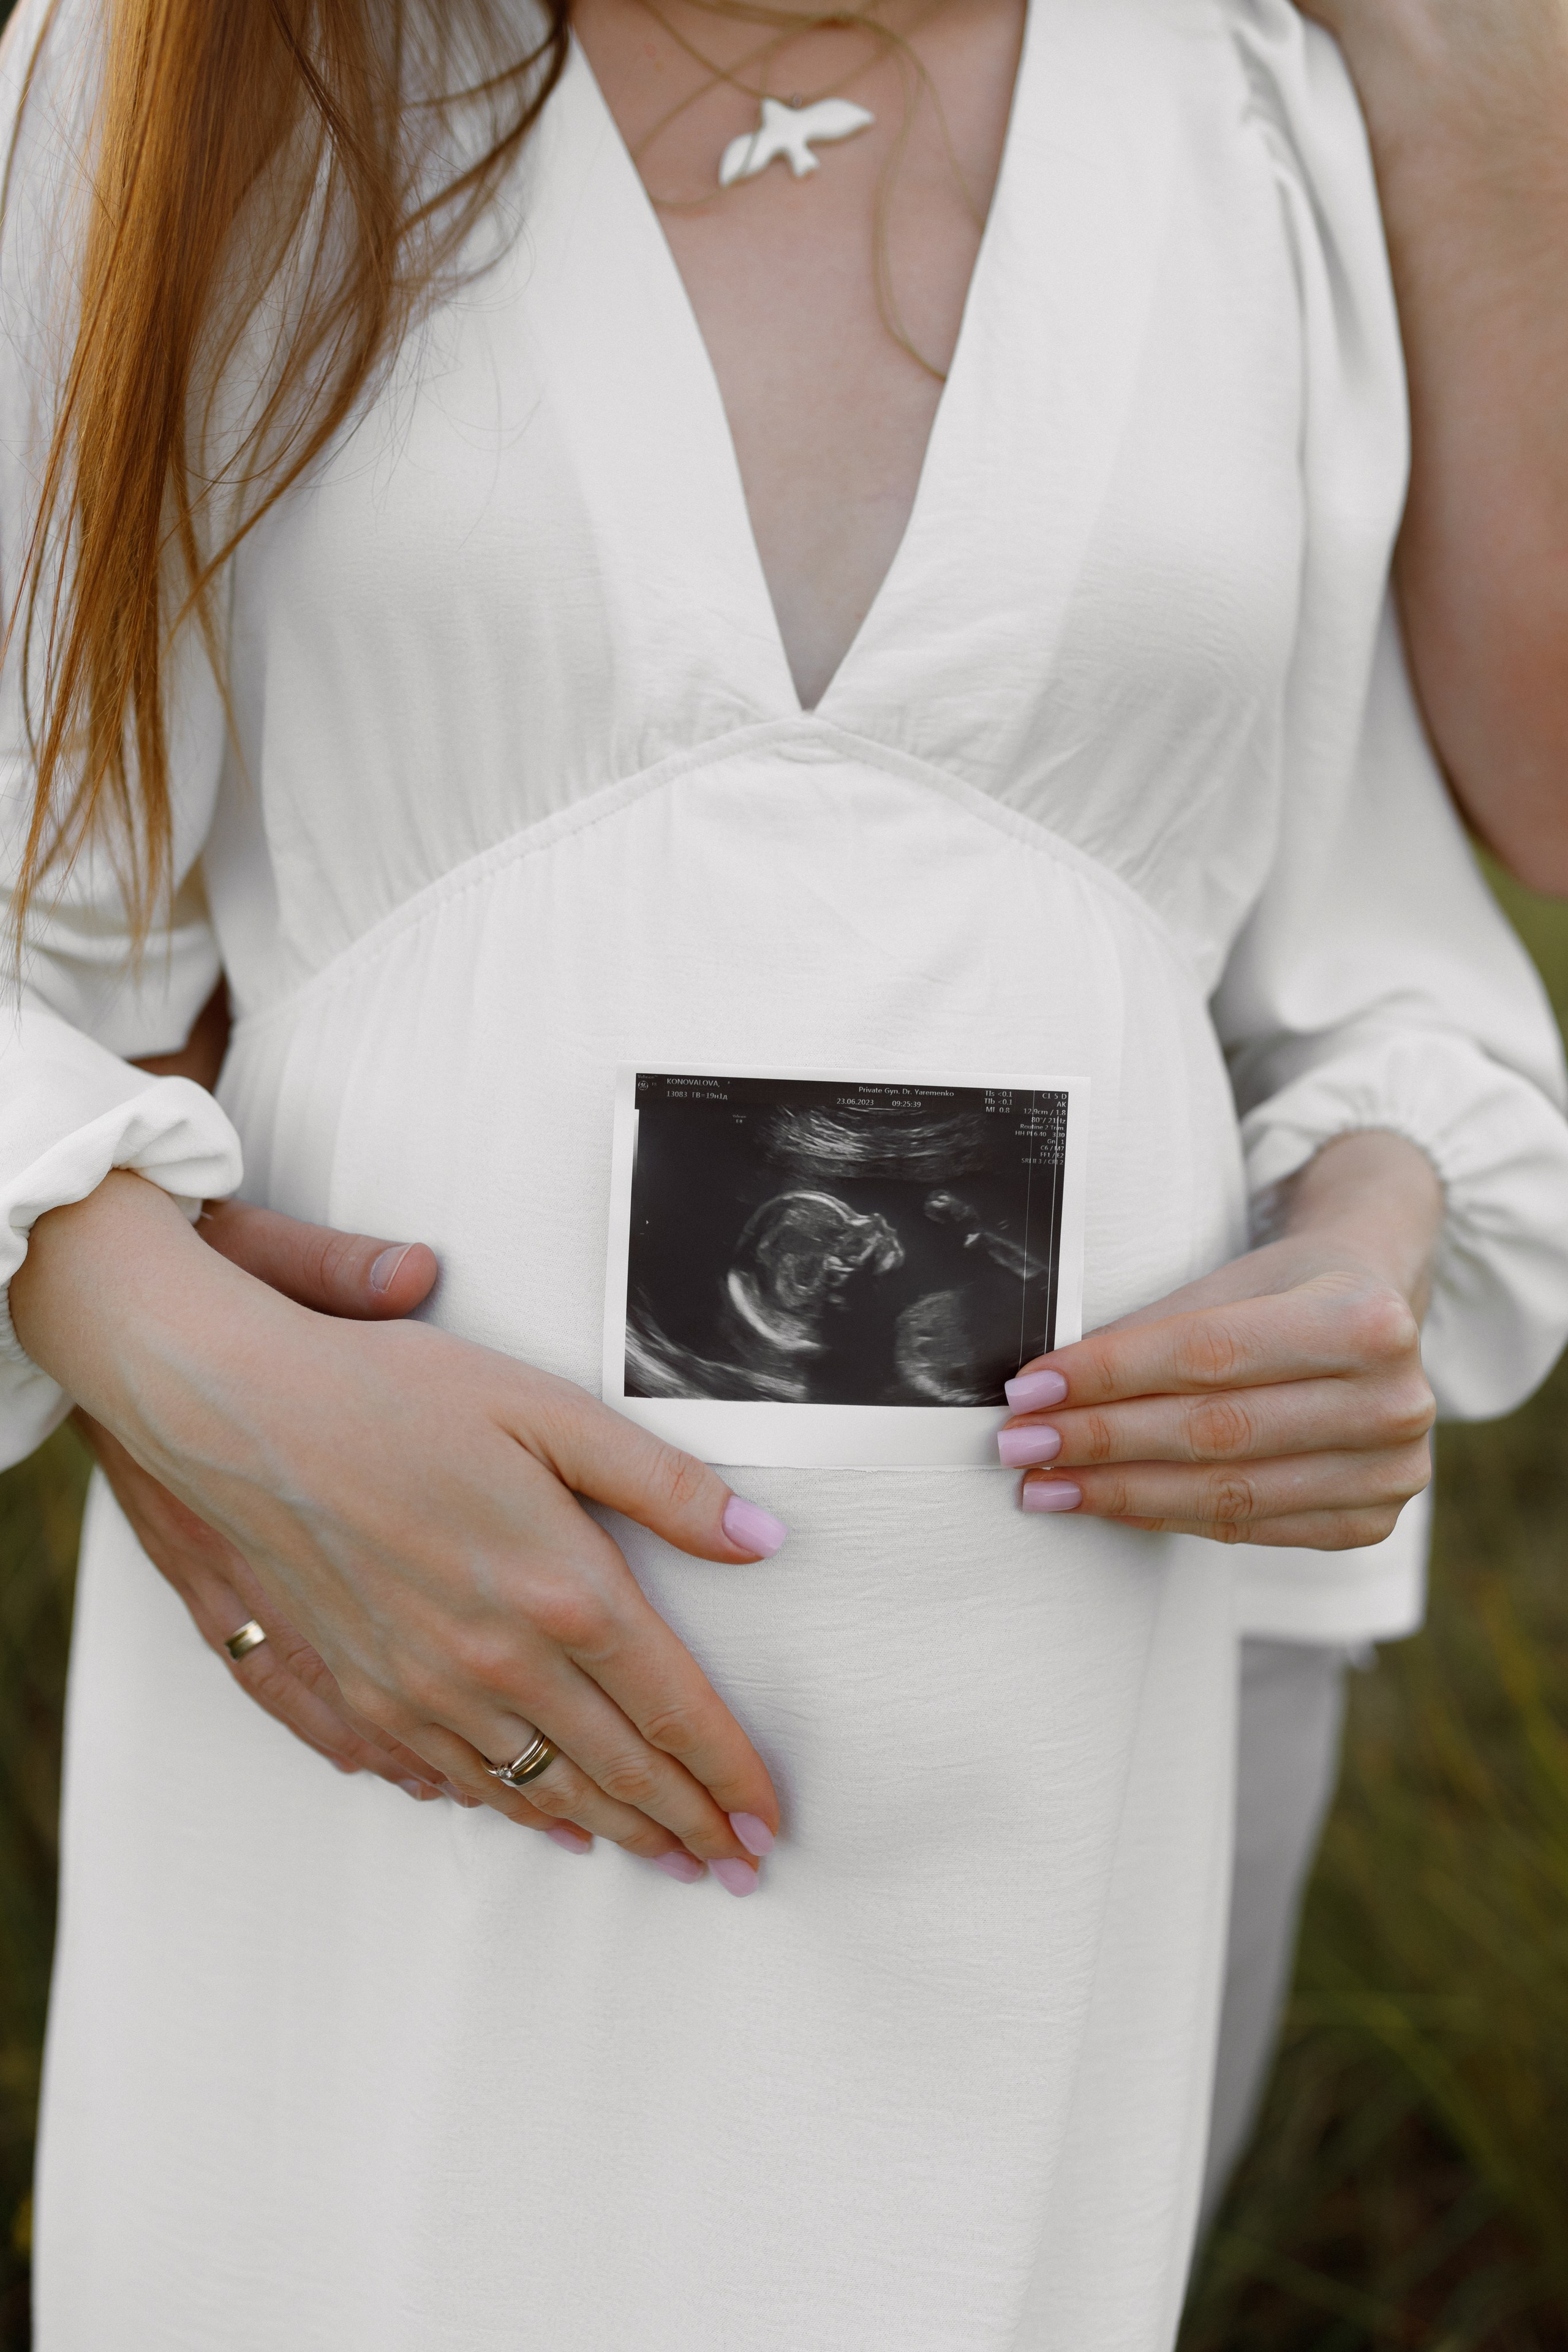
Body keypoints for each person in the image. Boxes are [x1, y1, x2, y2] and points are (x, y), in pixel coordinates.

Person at [2, 3, 1566, 2348]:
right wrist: (180, 1355)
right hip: (385, 1704)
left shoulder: (1243, 108)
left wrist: (1369, 1239)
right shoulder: (188, 72)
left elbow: (1379, 980)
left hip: (1054, 1757)